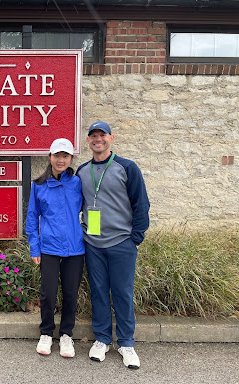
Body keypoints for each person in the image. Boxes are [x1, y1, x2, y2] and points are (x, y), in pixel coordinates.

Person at [76, 121, 150, 369]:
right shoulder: (82, 171)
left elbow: (142, 204)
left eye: (102, 135)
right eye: (93, 136)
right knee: (98, 292)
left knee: (122, 293)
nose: (98, 139)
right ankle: (103, 339)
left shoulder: (127, 167)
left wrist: (135, 238)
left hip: (122, 242)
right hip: (93, 243)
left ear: (111, 138)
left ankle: (127, 343)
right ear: (88, 141)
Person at [26, 138, 85, 358]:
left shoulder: (78, 183)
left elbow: (92, 209)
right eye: (57, 155)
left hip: (75, 247)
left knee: (70, 293)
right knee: (48, 294)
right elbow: (33, 217)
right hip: (49, 247)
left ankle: (67, 335)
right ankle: (46, 333)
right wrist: (34, 247)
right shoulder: (38, 185)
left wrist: (95, 233)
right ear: (50, 157)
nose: (61, 160)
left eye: (65, 156)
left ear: (70, 159)